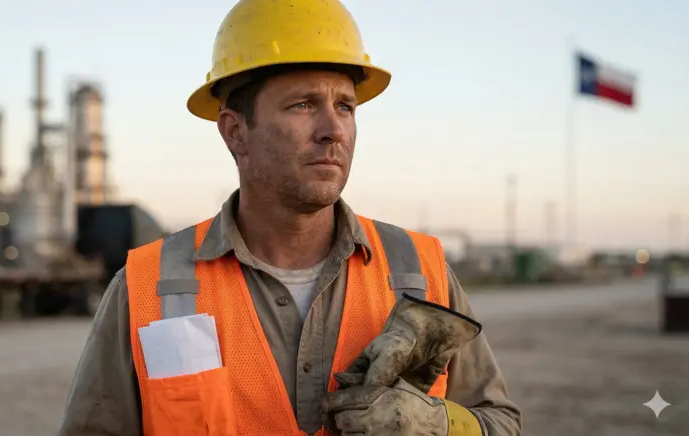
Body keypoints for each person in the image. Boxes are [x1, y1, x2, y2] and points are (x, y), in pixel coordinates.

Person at [57, 0, 522, 435]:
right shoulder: (149, 288)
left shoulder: (420, 271)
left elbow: (500, 422)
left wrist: (437, 425)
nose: (333, 130)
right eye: (302, 105)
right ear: (235, 131)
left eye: (345, 106)